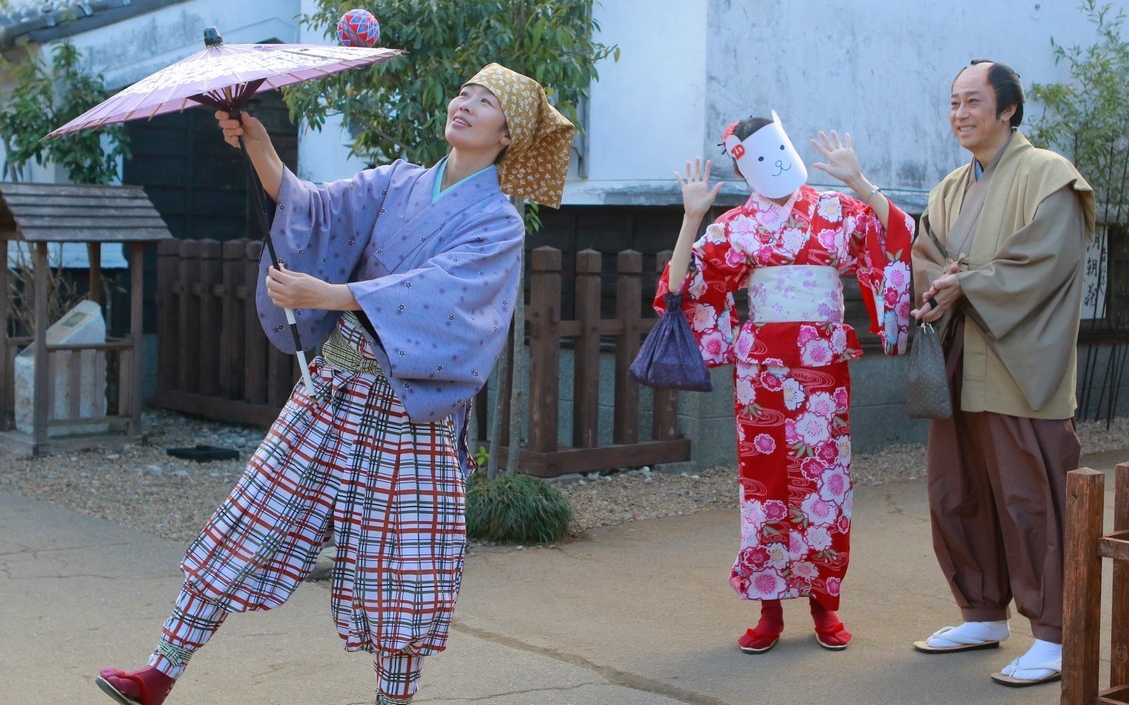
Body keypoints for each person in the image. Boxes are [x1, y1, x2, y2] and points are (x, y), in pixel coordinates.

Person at [95, 63, 575, 705]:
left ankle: (392, 700)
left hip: (412, 413)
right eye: (462, 92)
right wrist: (259, 142)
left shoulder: (498, 223)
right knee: (249, 519)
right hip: (334, 387)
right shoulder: (395, 183)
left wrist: (333, 293)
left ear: (509, 132)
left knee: (402, 568)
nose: (463, 105)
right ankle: (160, 670)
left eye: (483, 102)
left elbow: (445, 297)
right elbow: (313, 209)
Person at [657, 112, 913, 654]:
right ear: (742, 168)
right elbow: (681, 288)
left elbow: (896, 236)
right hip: (763, 373)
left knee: (826, 483)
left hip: (822, 368)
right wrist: (690, 218)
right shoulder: (735, 226)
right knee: (765, 487)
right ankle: (768, 608)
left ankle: (825, 604)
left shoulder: (837, 209)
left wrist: (857, 181)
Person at [909, 60, 1095, 688]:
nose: (960, 113)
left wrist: (970, 283)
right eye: (953, 102)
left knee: (1029, 495)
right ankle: (982, 611)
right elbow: (926, 253)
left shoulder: (1049, 175)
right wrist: (937, 290)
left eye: (973, 101)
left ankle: (1056, 633)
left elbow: (1049, 259)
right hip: (961, 357)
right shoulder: (948, 187)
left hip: (1020, 361)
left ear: (1009, 109)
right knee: (957, 487)